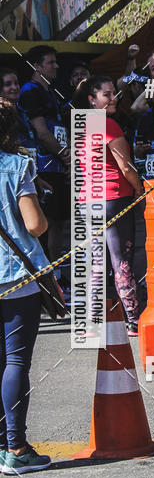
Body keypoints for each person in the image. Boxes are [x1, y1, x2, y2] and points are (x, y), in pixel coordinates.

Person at [0, 97, 52, 474]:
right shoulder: (17, 166)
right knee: (15, 361)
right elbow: (35, 225)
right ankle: (16, 449)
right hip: (16, 276)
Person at [73, 77, 143, 336]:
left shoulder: (82, 126)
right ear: (92, 100)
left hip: (87, 201)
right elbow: (125, 166)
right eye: (107, 94)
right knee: (121, 261)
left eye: (114, 93)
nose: (113, 98)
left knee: (95, 263)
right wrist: (139, 188)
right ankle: (134, 320)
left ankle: (90, 324)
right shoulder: (109, 125)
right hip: (113, 198)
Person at [17, 46, 70, 300]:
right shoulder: (30, 92)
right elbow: (41, 131)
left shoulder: (49, 91)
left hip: (56, 166)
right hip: (43, 167)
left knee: (59, 223)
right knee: (46, 225)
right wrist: (66, 154)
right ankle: (47, 283)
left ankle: (57, 277)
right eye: (51, 62)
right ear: (37, 67)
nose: (56, 66)